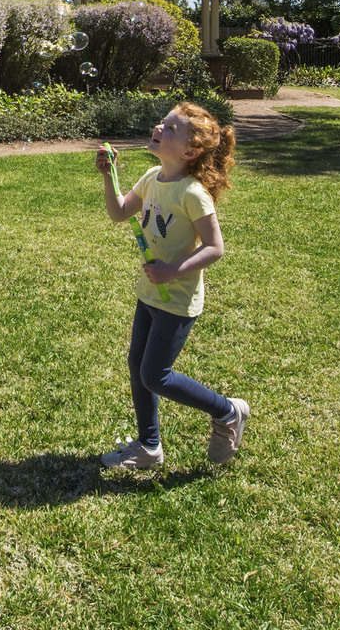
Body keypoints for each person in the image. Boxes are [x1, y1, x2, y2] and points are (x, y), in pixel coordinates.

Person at [95, 103, 249, 470]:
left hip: (176, 299)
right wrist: (109, 176)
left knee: (155, 375)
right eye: (162, 122)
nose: (159, 127)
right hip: (150, 293)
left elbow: (215, 248)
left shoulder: (192, 193)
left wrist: (172, 271)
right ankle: (149, 446)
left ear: (190, 151)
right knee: (139, 367)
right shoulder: (152, 177)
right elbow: (120, 212)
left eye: (170, 128)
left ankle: (227, 411)